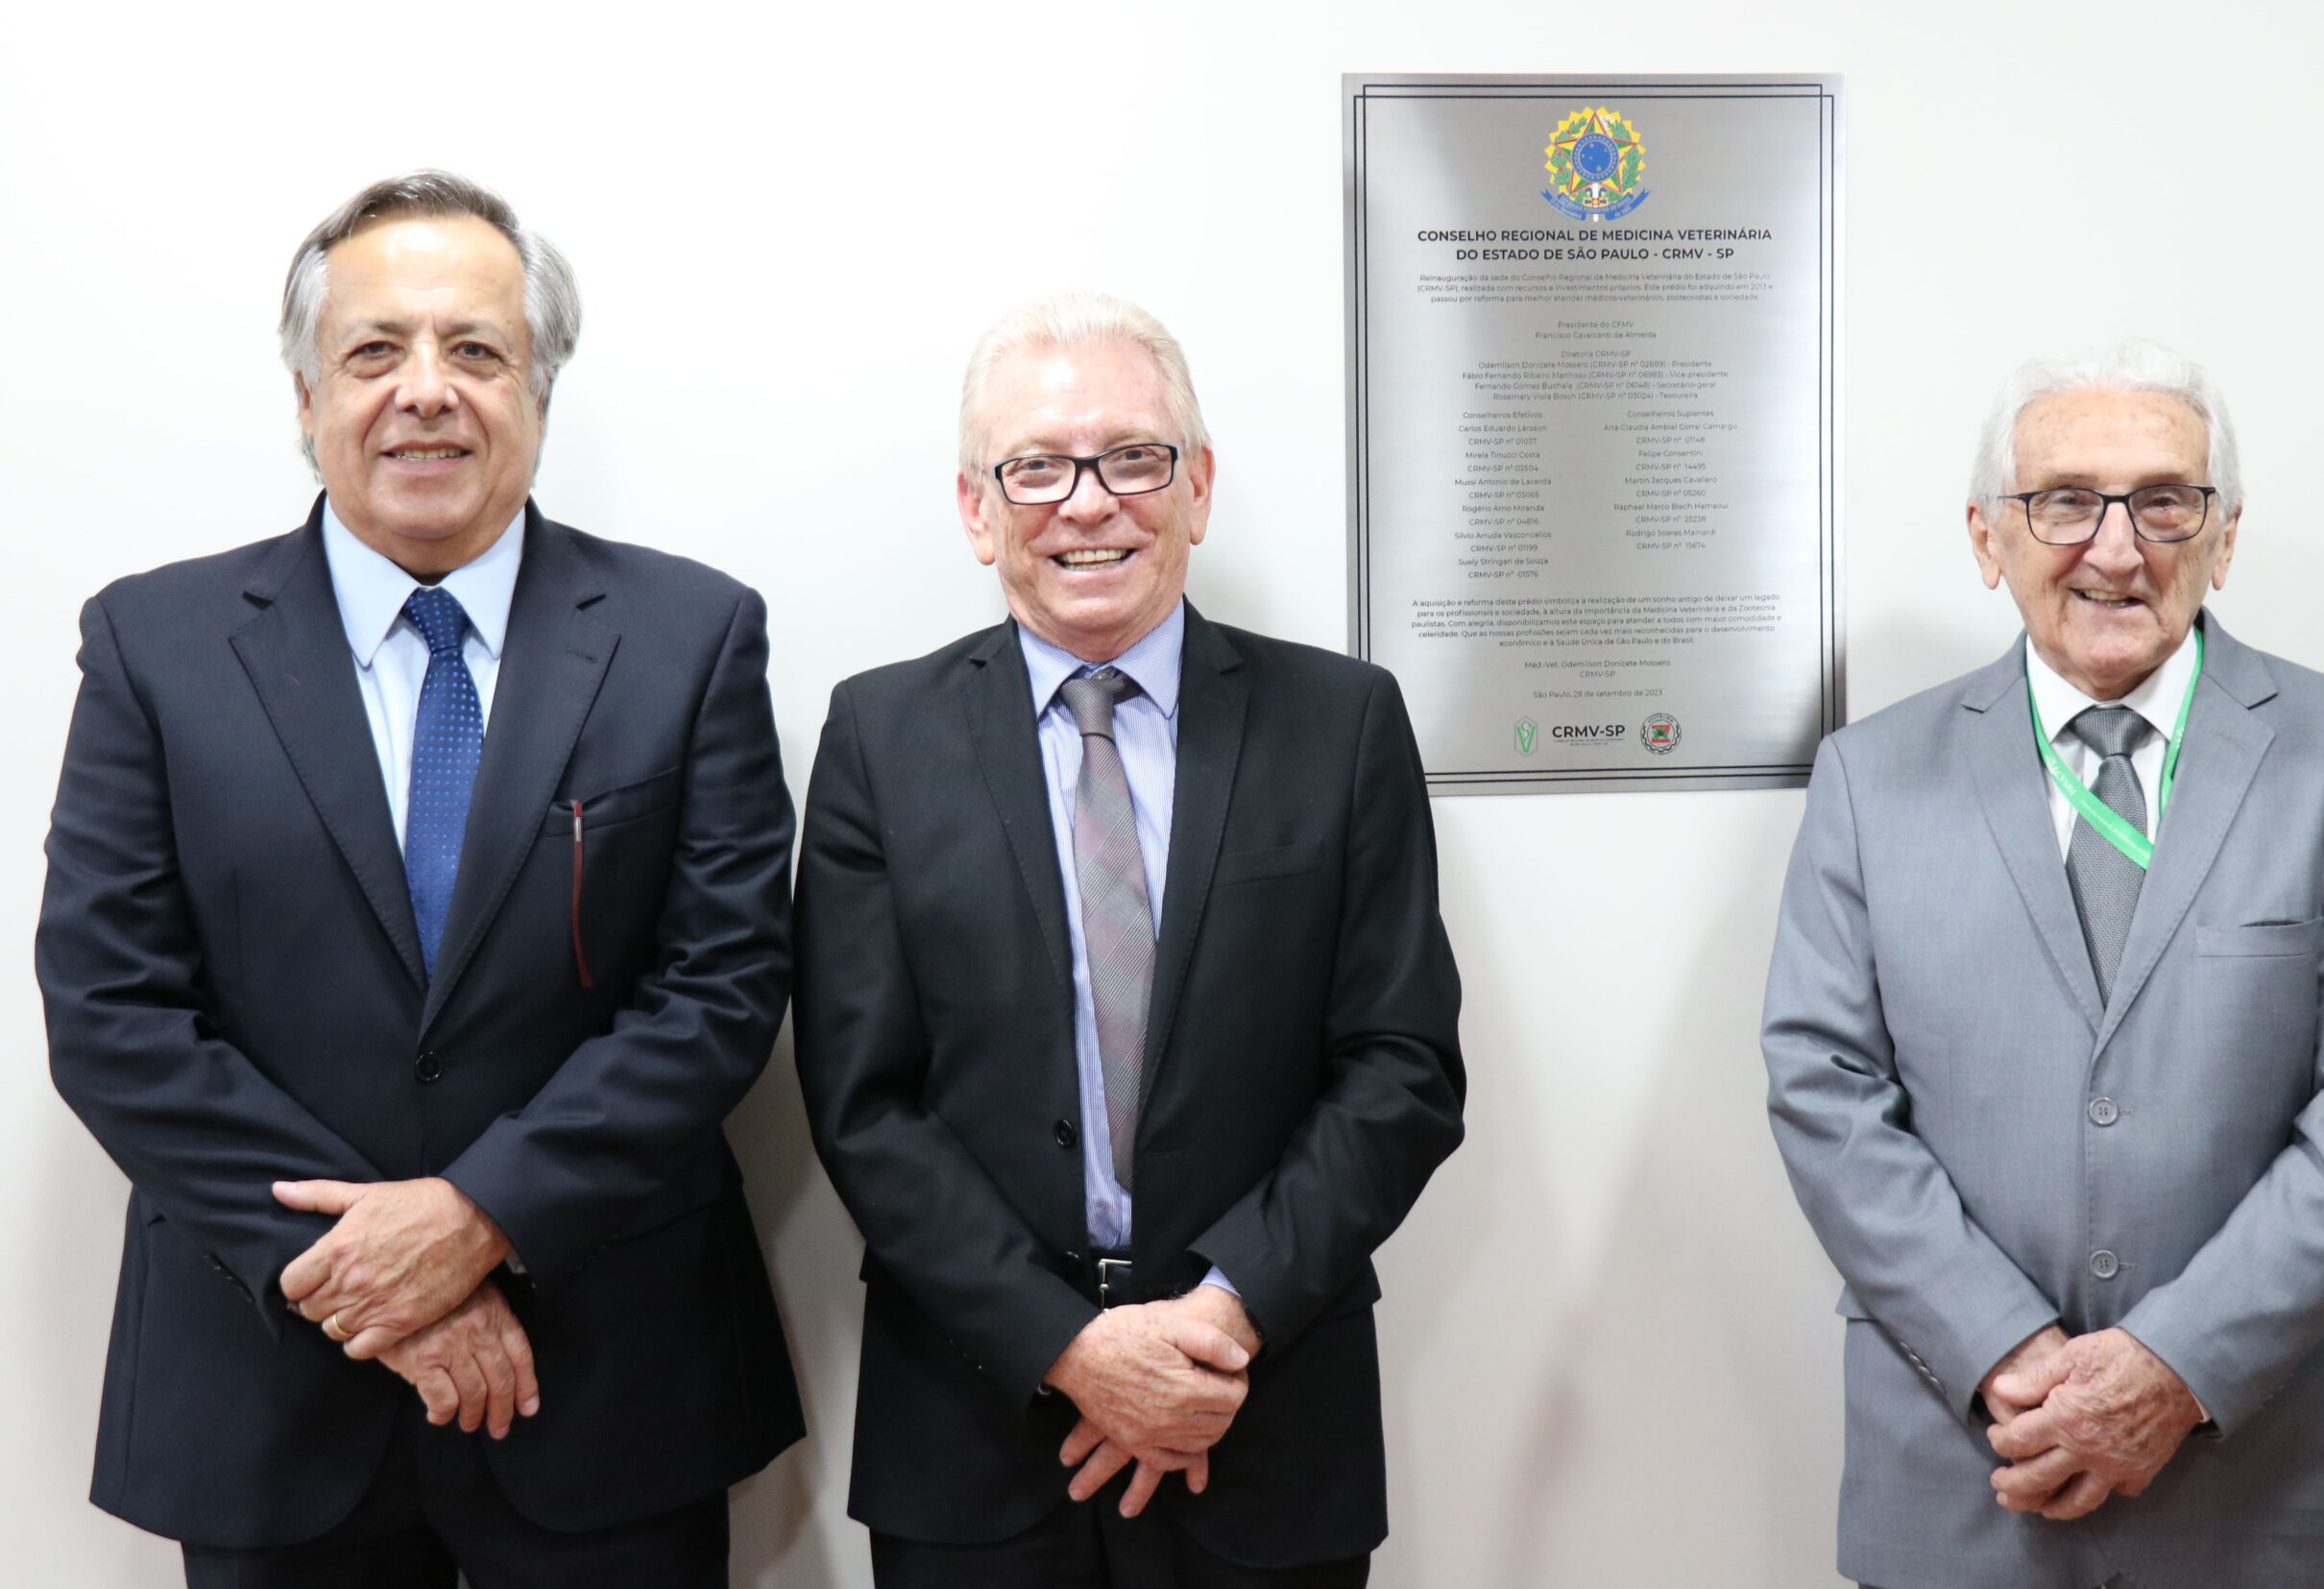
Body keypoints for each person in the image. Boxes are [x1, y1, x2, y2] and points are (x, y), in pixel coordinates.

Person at [37, 171, 803, 1587]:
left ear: (541, 386)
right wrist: (371, 1282)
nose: (425, 392)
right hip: (274, 1386)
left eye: (476, 349)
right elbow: (111, 1011)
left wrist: (478, 1218)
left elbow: (720, 988)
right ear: (305, 389)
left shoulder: (689, 636)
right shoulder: (156, 645)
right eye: (376, 350)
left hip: (607, 1384)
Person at [795, 292, 1465, 1587]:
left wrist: (1222, 1318)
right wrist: (1071, 1346)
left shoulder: (1341, 725)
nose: (1088, 502)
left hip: (1259, 1414)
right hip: (977, 1427)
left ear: (1198, 486)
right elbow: (863, 1103)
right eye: (1036, 466)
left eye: (1134, 458)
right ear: (976, 506)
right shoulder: (880, 740)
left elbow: (1402, 1068)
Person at [1760, 338, 2324, 1588]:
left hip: (2279, 1485)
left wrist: (2173, 1369)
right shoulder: (1870, 778)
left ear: (2224, 535)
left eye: (2164, 500)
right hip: (1976, 1465)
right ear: (1988, 538)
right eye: (2066, 500)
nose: (2117, 549)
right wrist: (2012, 1354)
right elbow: (1823, 1089)